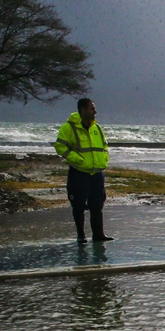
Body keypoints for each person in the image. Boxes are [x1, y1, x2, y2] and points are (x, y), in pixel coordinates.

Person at [54, 98, 112, 243]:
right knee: (78, 204)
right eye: (92, 108)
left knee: (97, 204)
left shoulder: (97, 128)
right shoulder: (69, 128)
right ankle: (81, 235)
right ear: (83, 110)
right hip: (79, 172)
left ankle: (98, 235)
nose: (95, 111)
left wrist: (104, 158)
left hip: (97, 172)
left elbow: (104, 146)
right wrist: (77, 159)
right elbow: (60, 147)